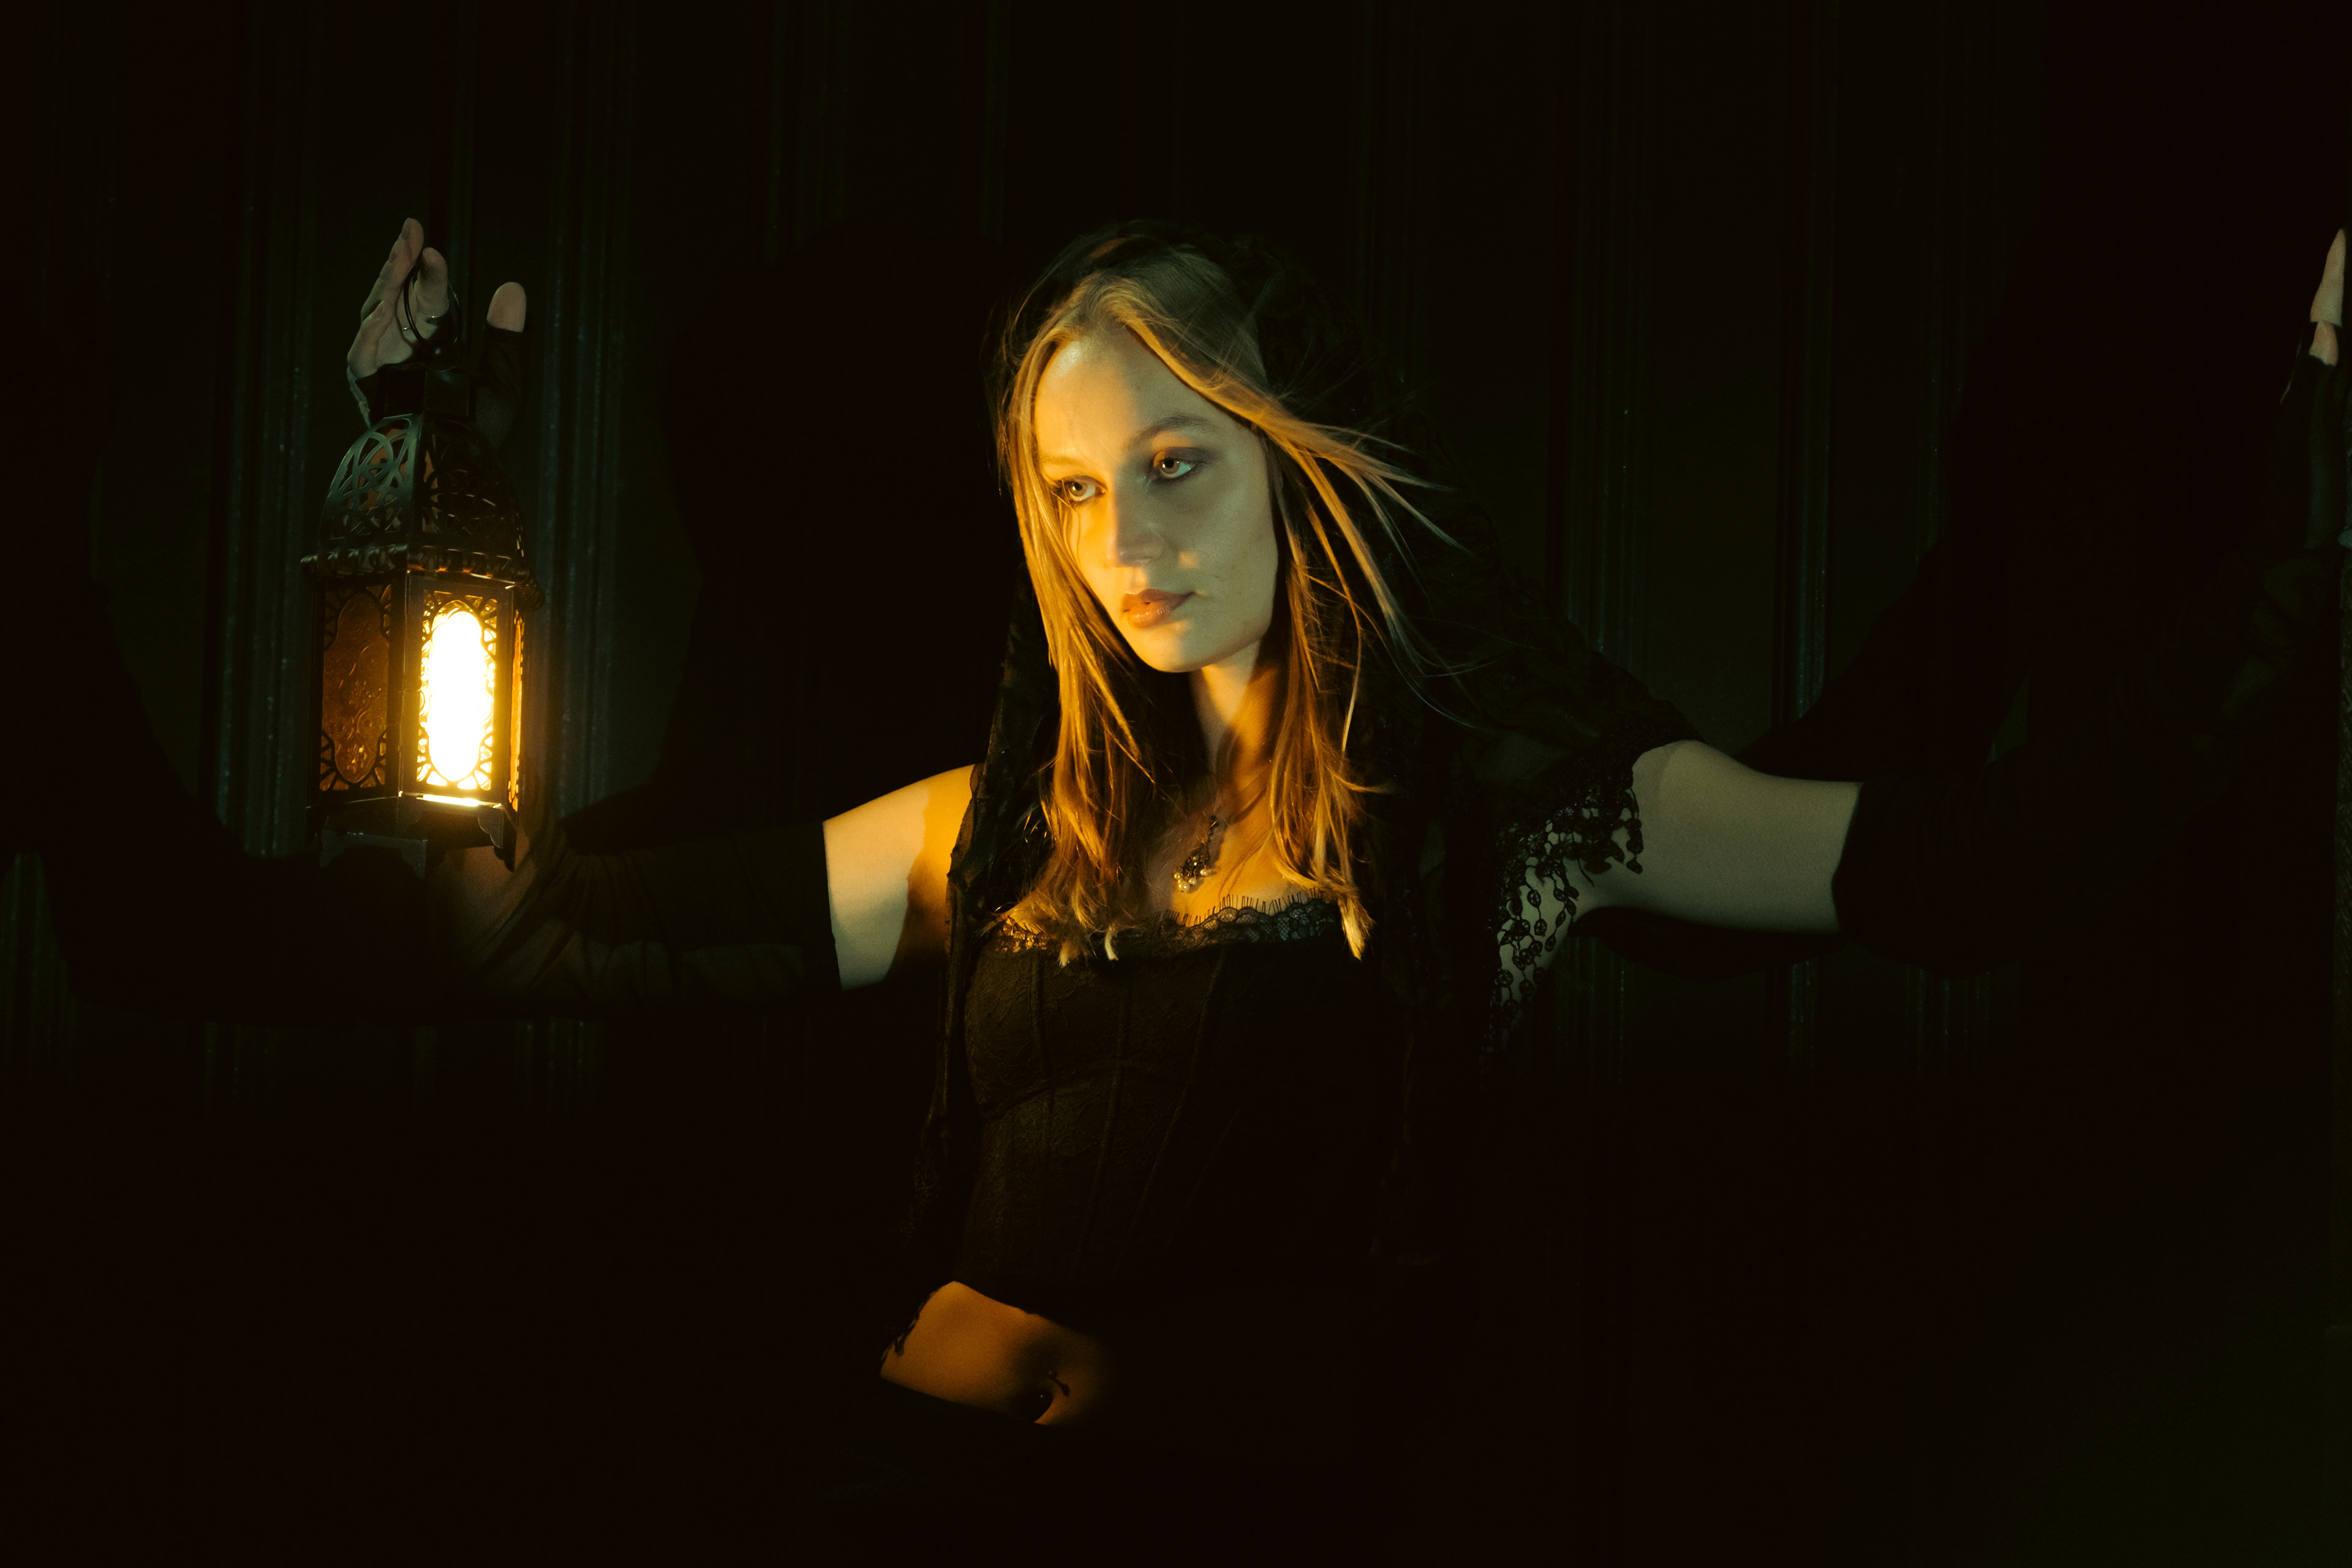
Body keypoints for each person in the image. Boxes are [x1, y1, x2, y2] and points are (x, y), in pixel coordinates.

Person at [16, 212, 2346, 1554]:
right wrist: (420, 471)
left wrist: (2308, 512)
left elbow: (1977, 868)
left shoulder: (1507, 821)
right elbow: (555, 938)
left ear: (1295, 462)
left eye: (1174, 464)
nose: (1122, 539)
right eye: (1069, 491)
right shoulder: (1001, 825)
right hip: (907, 1492)